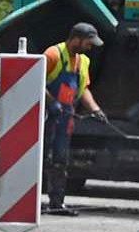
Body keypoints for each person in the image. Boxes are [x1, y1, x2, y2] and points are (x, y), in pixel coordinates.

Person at [43, 22, 106, 217]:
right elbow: (34, 79)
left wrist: (95, 109)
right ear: (76, 39)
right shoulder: (53, 55)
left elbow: (83, 89)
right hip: (46, 117)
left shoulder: (83, 61)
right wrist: (51, 102)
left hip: (65, 119)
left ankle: (56, 203)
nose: (90, 47)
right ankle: (27, 202)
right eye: (88, 43)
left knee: (61, 161)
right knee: (41, 159)